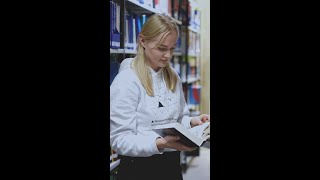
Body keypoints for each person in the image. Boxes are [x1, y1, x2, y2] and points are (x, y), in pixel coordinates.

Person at [110, 13, 210, 180]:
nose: (168, 55)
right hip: (138, 169)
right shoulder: (127, 81)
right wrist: (159, 144)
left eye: (172, 48)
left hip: (171, 165)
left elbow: (177, 118)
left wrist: (192, 122)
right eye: (162, 48)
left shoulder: (173, 77)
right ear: (142, 41)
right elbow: (118, 140)